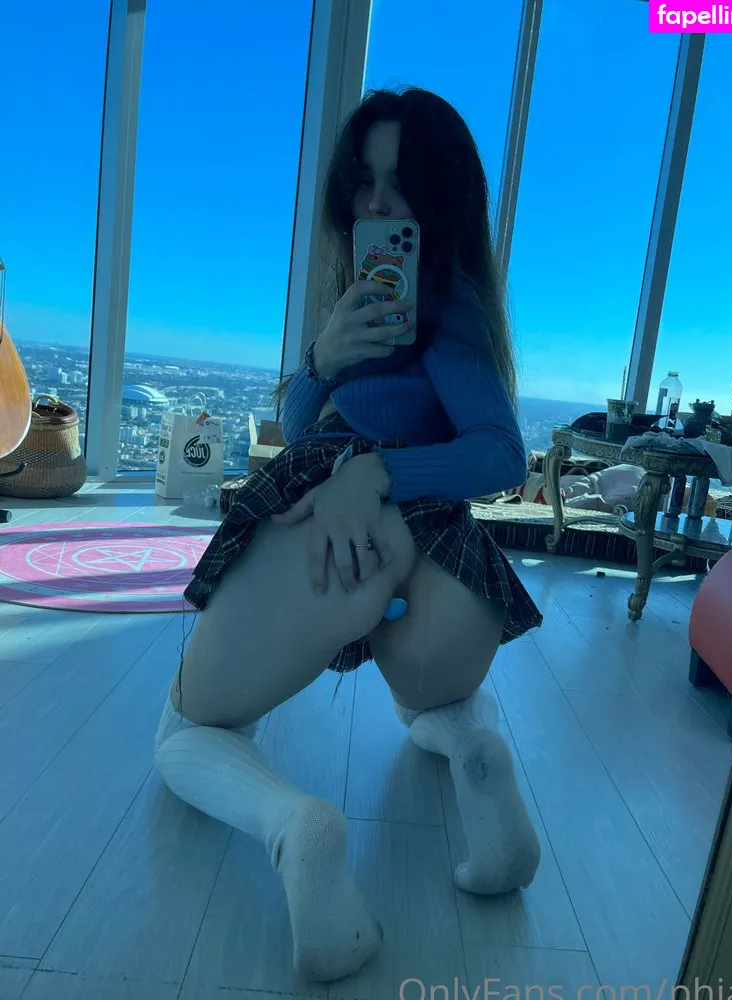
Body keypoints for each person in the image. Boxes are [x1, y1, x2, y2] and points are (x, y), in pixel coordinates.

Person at [153, 87, 544, 984]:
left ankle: (294, 827)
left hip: (327, 533)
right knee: (429, 708)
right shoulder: (420, 310)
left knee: (184, 731)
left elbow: (498, 453)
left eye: (400, 185)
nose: (375, 204)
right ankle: (477, 755)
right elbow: (486, 448)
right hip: (446, 580)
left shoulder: (440, 305)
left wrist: (372, 471)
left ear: (441, 199)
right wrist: (323, 360)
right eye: (362, 182)